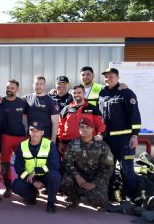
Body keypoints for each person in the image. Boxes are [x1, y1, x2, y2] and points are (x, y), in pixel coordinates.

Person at [98, 67, 142, 201]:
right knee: (109, 169)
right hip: (107, 139)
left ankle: (133, 197)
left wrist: (135, 135)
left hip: (124, 139)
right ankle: (111, 196)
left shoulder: (126, 92)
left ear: (118, 77)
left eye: (111, 76)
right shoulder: (102, 93)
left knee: (126, 169)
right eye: (106, 76)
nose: (108, 78)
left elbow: (134, 114)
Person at [62, 118, 114, 210]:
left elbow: (108, 167)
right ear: (79, 129)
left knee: (97, 200)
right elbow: (67, 162)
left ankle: (92, 194)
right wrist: (77, 176)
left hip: (96, 179)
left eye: (87, 127)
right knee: (66, 180)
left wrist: (94, 183)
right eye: (81, 127)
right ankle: (74, 199)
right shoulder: (73, 143)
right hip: (79, 178)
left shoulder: (102, 146)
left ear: (93, 129)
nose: (84, 129)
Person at [12, 121, 61, 213]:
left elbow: (55, 164)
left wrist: (37, 171)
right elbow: (18, 168)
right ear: (29, 132)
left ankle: (51, 202)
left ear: (42, 132)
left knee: (55, 175)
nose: (34, 133)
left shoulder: (50, 144)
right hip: (29, 177)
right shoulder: (22, 146)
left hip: (45, 176)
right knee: (16, 185)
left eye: (37, 131)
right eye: (32, 130)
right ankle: (32, 196)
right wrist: (33, 180)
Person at [57, 84, 105, 156]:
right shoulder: (66, 109)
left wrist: (99, 135)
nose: (76, 95)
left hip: (88, 146)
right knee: (68, 166)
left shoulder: (93, 109)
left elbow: (100, 125)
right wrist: (60, 142)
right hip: (68, 146)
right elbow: (60, 126)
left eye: (79, 92)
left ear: (84, 93)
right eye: (74, 93)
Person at [0, 79, 28, 197]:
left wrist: (28, 136)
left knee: (24, 164)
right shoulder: (0, 102)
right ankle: (8, 187)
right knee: (5, 165)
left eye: (12, 88)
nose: (9, 90)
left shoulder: (22, 103)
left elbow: (26, 120)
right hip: (6, 137)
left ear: (17, 90)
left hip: (21, 137)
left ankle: (28, 186)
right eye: (8, 88)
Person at [25, 76, 60, 142]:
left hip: (46, 138)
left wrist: (53, 141)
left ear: (44, 85)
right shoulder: (27, 98)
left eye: (41, 84)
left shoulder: (52, 101)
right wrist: (1, 98)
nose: (38, 86)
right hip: (30, 138)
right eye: (37, 83)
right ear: (33, 85)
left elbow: (55, 123)